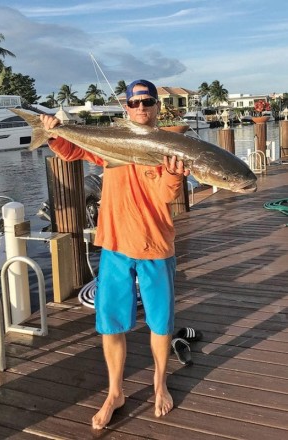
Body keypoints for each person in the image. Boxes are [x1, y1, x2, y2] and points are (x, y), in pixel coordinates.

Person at [40, 79, 189, 430]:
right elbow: (73, 151)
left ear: (156, 107)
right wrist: (52, 133)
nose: (141, 108)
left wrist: (172, 175)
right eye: (134, 103)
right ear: (126, 106)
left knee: (160, 323)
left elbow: (167, 197)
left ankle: (159, 383)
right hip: (115, 245)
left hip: (156, 245)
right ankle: (115, 392)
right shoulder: (111, 140)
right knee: (111, 325)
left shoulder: (170, 146)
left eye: (147, 101)